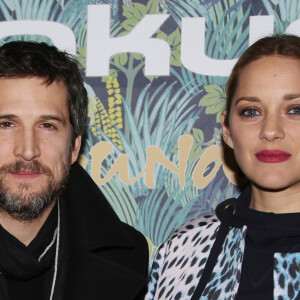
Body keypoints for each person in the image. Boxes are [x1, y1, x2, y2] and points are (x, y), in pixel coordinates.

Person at [145, 34, 300, 300]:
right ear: (227, 129)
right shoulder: (186, 247)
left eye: (296, 110)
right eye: (251, 111)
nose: (271, 131)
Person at [0, 41, 148, 300]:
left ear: (74, 147)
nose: (27, 150)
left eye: (47, 125)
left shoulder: (128, 258)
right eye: (6, 124)